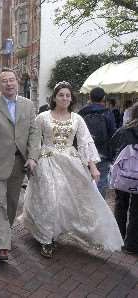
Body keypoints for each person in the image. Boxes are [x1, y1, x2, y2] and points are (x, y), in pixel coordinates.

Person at [22, 81, 123, 258]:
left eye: (68, 95)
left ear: (72, 98)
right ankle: (46, 239)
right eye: (61, 95)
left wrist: (93, 167)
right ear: (54, 97)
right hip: (47, 161)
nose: (65, 98)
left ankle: (68, 230)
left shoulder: (77, 119)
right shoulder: (43, 117)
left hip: (70, 162)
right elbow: (34, 141)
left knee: (72, 199)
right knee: (50, 198)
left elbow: (85, 142)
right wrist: (32, 160)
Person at [0, 68, 39, 261]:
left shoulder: (28, 105)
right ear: (0, 84)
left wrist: (32, 157)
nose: (9, 83)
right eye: (4, 80)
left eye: (12, 80)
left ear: (16, 82)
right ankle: (3, 245)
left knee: (13, 202)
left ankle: (6, 231)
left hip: (19, 162)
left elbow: (34, 133)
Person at [110, 102, 138, 254]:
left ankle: (117, 237)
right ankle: (132, 245)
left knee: (121, 205)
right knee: (136, 210)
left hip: (123, 175)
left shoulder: (125, 129)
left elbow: (112, 144)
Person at [79, 87, 116, 198]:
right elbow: (113, 134)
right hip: (103, 153)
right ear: (104, 98)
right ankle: (99, 209)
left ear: (89, 97)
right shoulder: (107, 113)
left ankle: (86, 208)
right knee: (101, 182)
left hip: (85, 153)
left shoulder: (81, 113)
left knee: (84, 182)